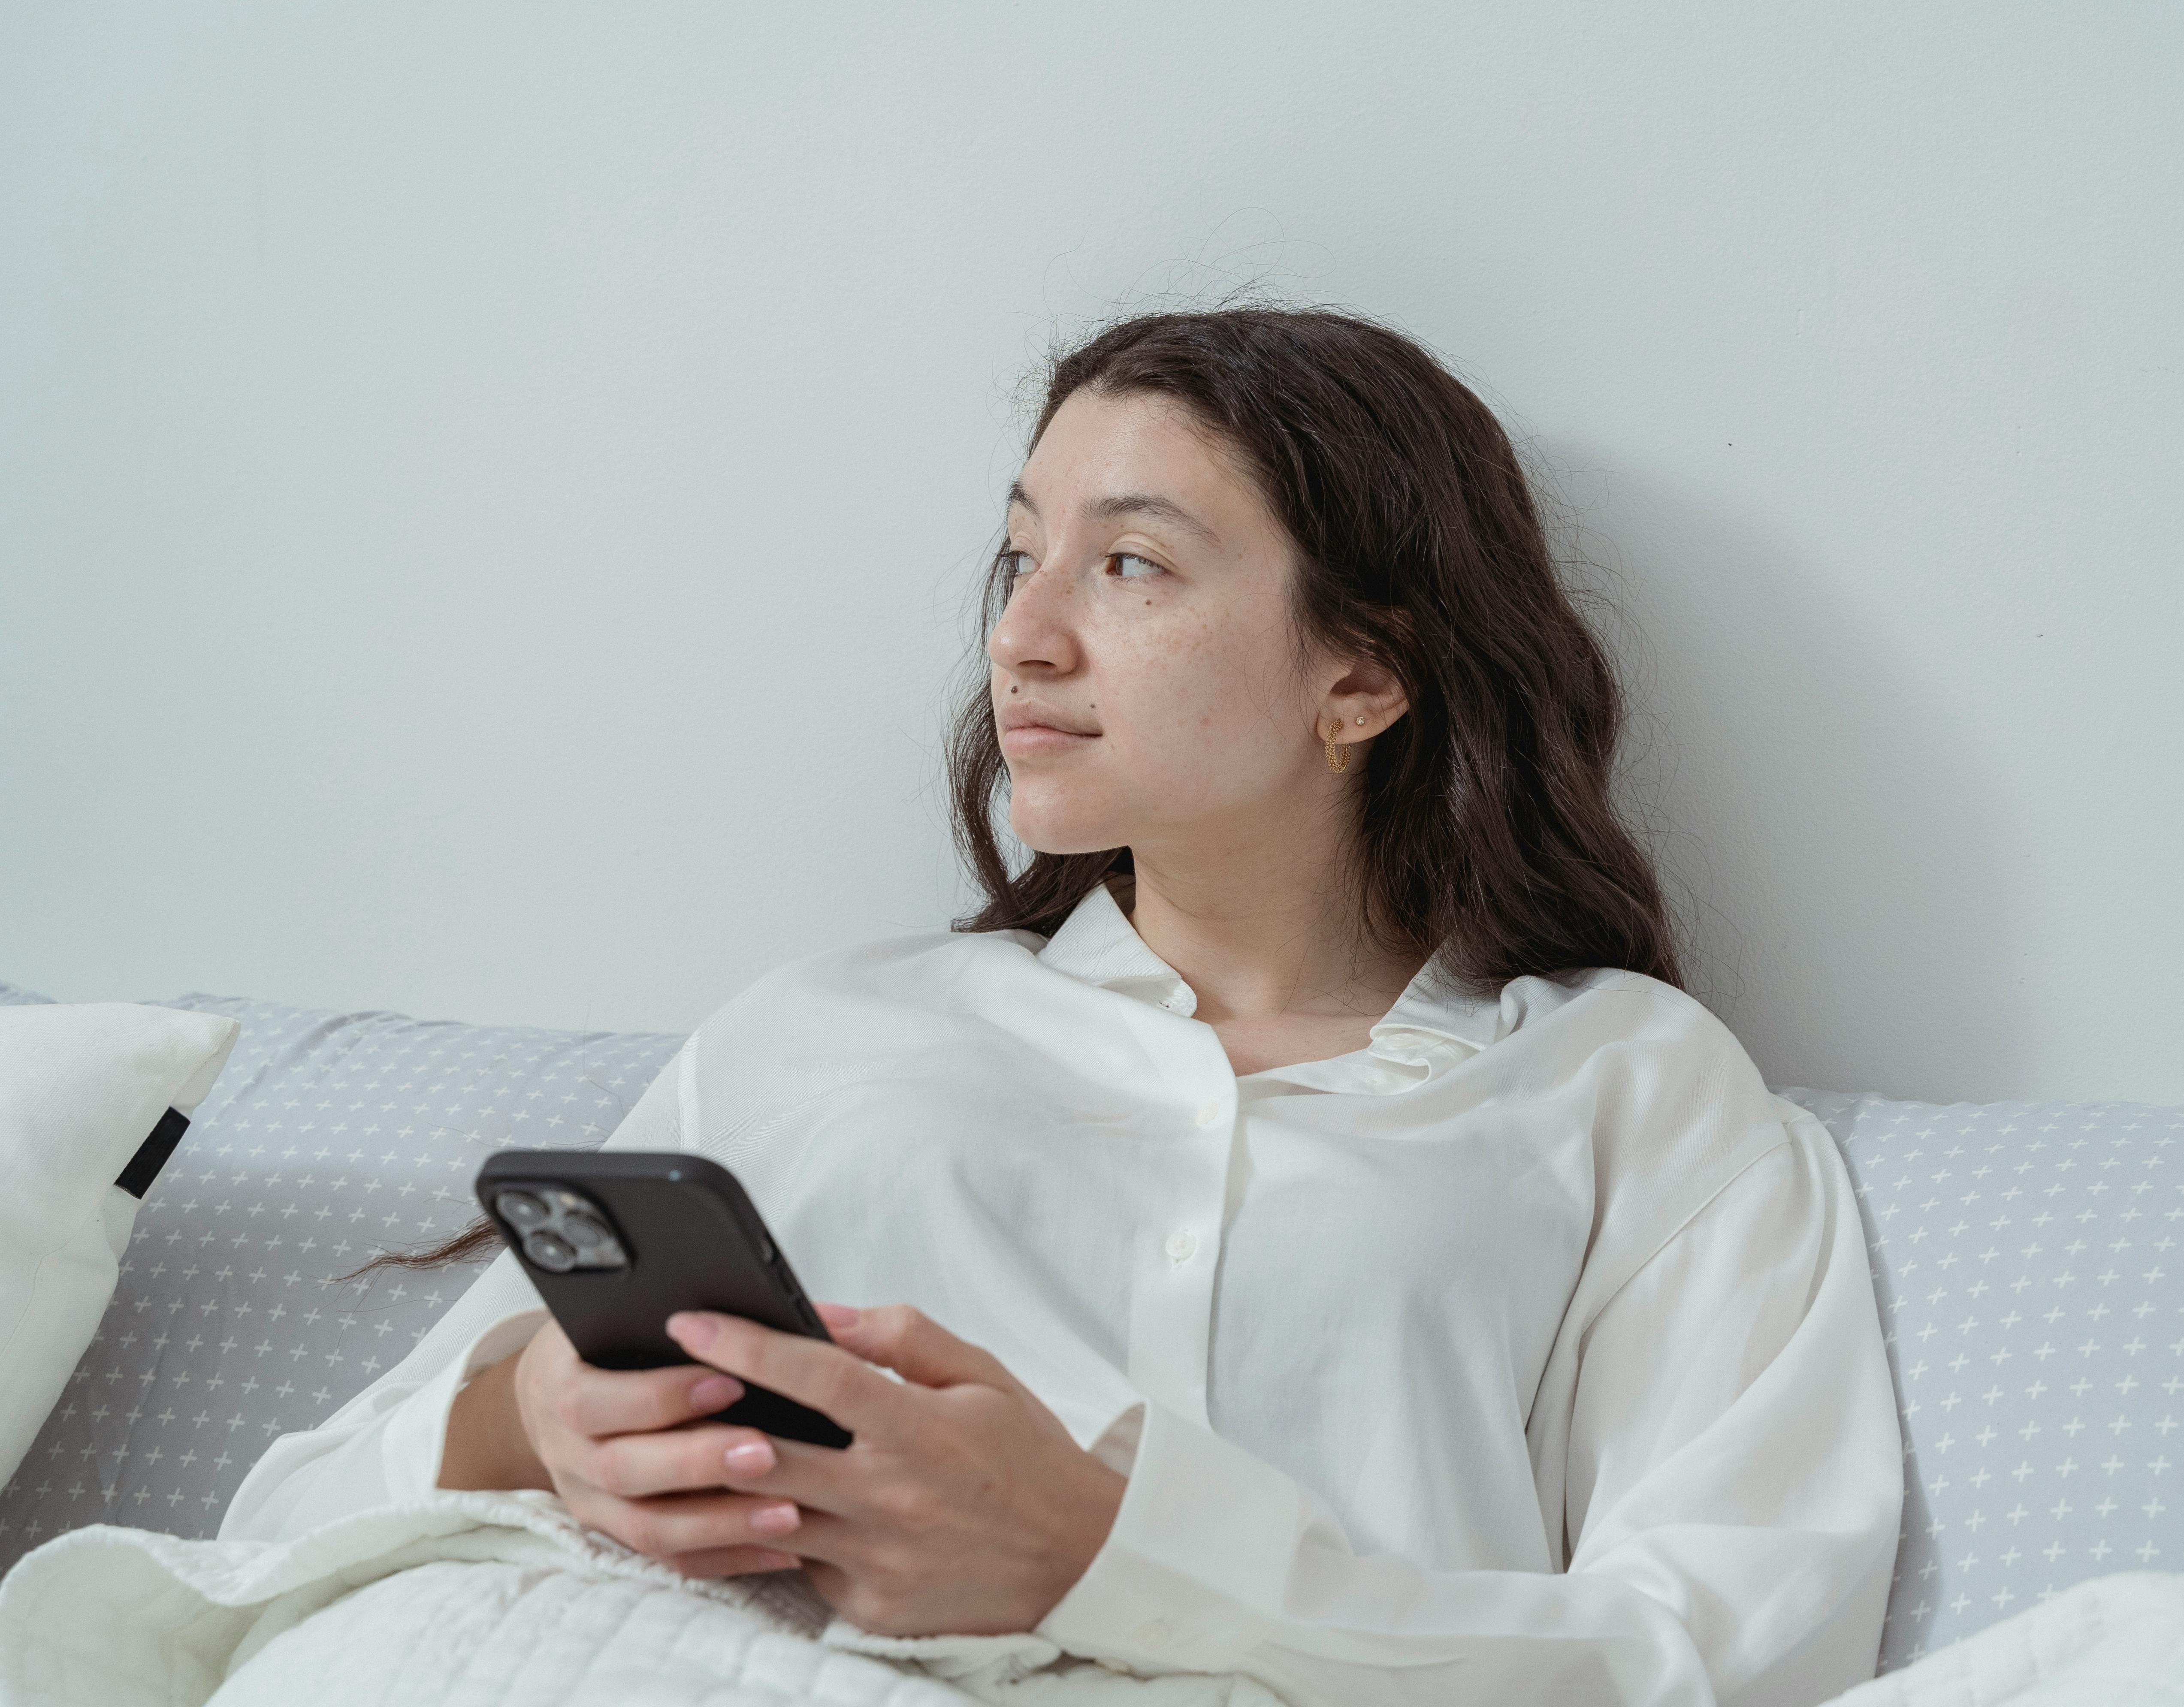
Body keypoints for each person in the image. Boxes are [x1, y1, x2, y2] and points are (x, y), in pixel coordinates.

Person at [219, 307, 1903, 1706]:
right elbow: (277, 1523)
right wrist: (531, 1425)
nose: (1022, 637)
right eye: (1021, 557)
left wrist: (1117, 1556)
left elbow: (1723, 1646)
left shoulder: (1626, 1086)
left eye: (1132, 567)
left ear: (1364, 674)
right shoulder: (826, 1028)